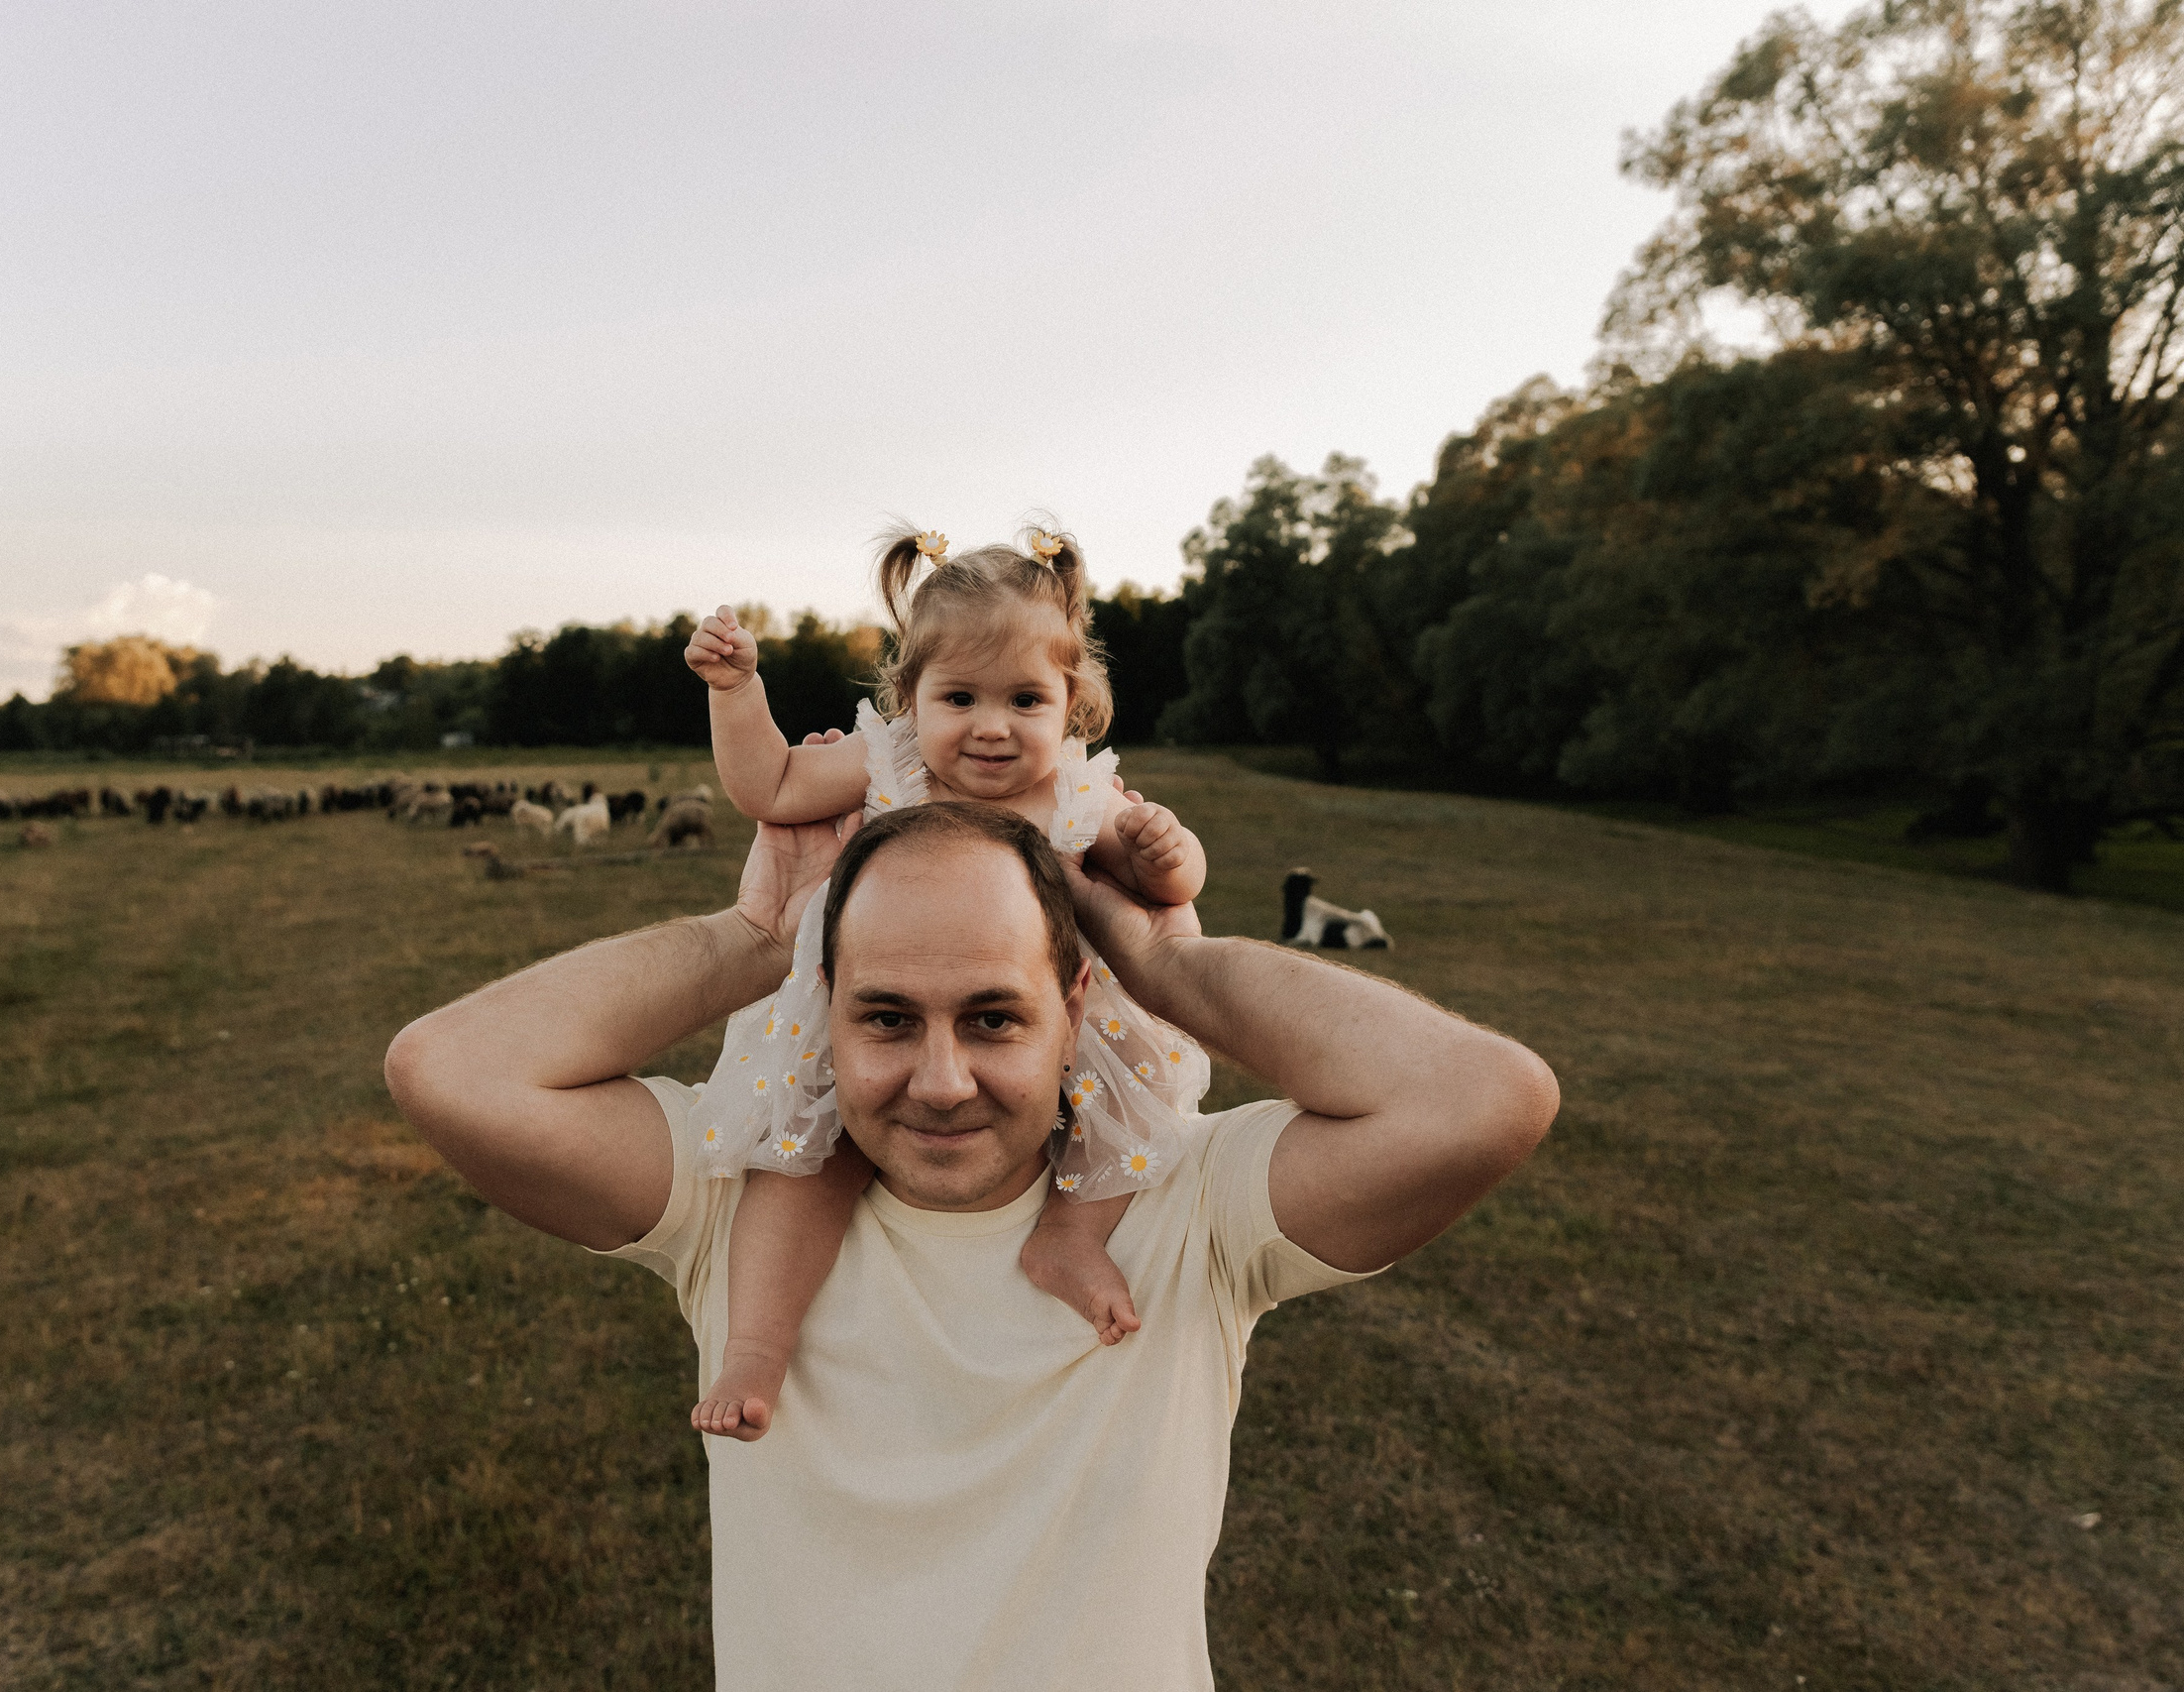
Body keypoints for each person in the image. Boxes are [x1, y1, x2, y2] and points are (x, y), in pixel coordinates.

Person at [384, 797, 1559, 1689]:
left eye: (994, 1017)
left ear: (1074, 1015)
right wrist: (754, 936)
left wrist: (1170, 967)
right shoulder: (738, 1199)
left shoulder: (1187, 1201)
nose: (940, 1082)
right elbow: (450, 1069)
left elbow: (1483, 1100)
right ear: (824, 1014)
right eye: (887, 1018)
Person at [680, 522, 1208, 1441]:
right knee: (802, 1163)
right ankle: (756, 1342)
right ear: (909, 699)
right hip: (881, 1016)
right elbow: (772, 784)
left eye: (1025, 699)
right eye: (959, 697)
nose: (992, 725)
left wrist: (1170, 852)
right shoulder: (892, 764)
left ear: (1072, 704)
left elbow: (1165, 884)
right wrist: (737, 692)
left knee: (1143, 1098)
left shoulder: (1080, 795)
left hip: (1056, 1023)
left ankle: (1072, 1234)